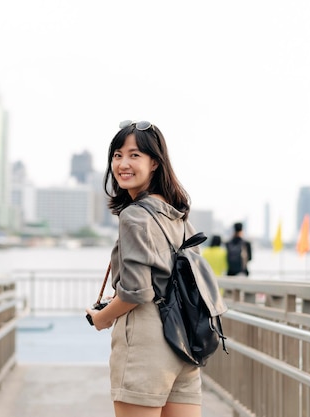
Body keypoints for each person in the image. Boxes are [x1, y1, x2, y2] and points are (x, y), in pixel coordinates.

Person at [86, 120, 203, 417]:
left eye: (134, 155)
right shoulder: (178, 215)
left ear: (154, 163)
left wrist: (101, 318)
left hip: (145, 348)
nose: (123, 163)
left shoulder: (135, 216)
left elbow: (136, 293)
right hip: (184, 345)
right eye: (117, 155)